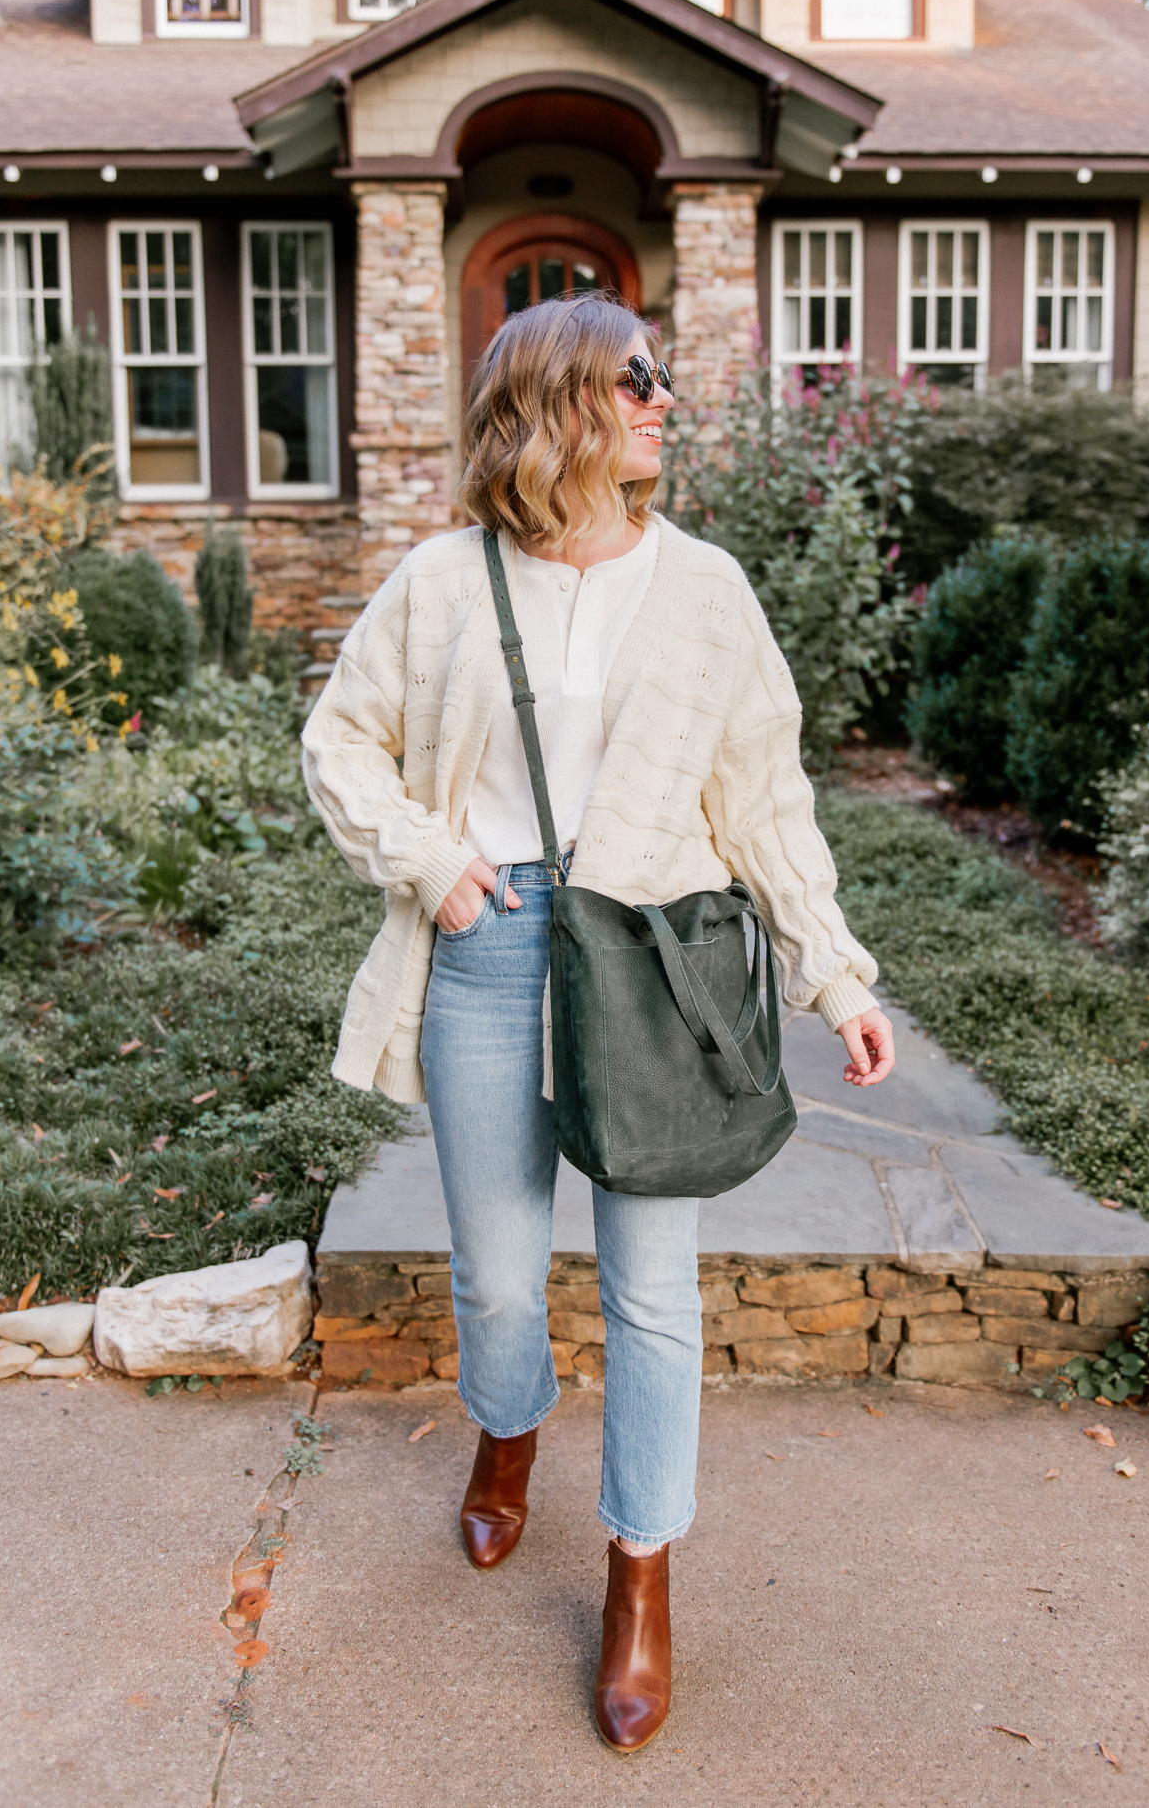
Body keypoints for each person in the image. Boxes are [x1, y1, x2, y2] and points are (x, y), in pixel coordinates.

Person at [302, 292, 894, 1754]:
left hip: (648, 956)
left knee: (650, 1289)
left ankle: (641, 1569)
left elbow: (763, 794)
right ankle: (510, 1425)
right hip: (494, 948)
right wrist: (434, 865)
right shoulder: (444, 580)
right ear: (562, 401)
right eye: (639, 380)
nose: (664, 402)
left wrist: (836, 972)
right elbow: (338, 740)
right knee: (501, 1279)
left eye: (663, 379)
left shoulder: (706, 590)